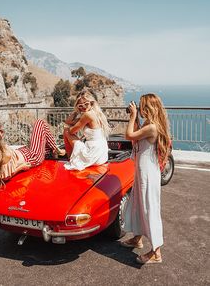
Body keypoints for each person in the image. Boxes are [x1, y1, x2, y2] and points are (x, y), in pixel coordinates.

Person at [121, 93, 170, 265]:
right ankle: (137, 238)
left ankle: (156, 252)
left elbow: (129, 136)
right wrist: (134, 119)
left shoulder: (153, 127)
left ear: (147, 108)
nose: (139, 109)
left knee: (149, 209)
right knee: (138, 205)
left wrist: (133, 116)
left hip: (148, 174)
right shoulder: (149, 124)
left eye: (141, 106)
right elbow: (136, 135)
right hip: (143, 172)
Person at [0, 118, 65, 195]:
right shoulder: (4, 154)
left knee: (44, 139)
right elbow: (3, 177)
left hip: (28, 152)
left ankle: (53, 150)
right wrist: (20, 168)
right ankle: (57, 150)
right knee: (40, 123)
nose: (2, 133)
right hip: (33, 155)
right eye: (0, 133)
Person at [63, 89, 110, 170]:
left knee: (66, 131)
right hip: (102, 155)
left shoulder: (87, 115)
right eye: (80, 106)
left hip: (92, 154)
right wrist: (77, 111)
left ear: (91, 103)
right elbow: (68, 121)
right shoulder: (95, 113)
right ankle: (72, 157)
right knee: (67, 129)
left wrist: (77, 111)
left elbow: (71, 131)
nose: (83, 107)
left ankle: (70, 158)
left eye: (86, 104)